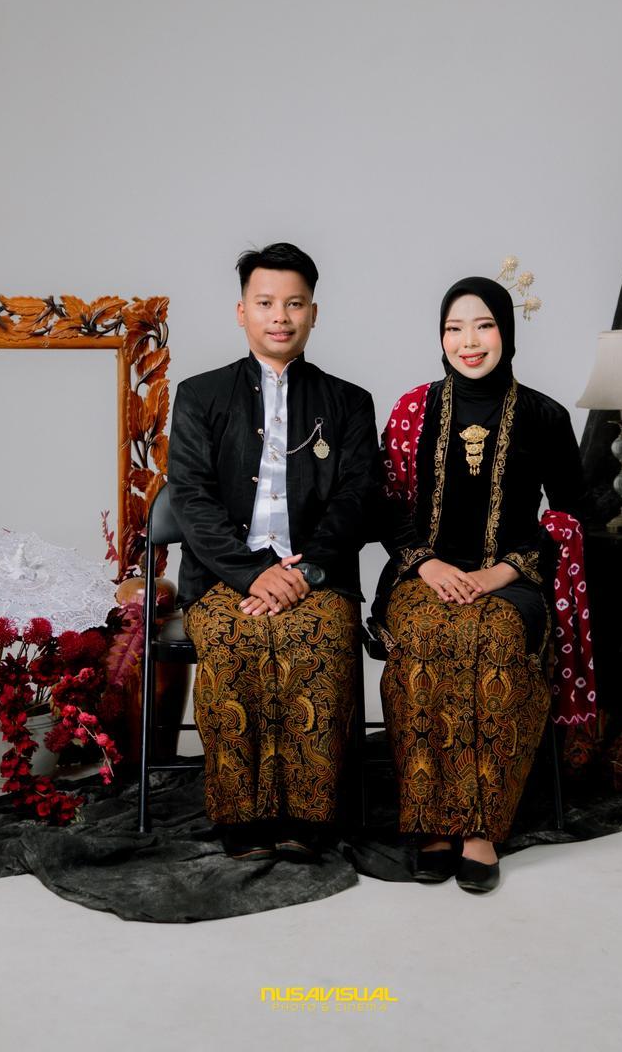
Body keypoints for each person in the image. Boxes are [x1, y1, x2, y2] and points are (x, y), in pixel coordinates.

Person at [167, 242, 379, 861]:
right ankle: (242, 817)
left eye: (294, 303)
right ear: (242, 312)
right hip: (223, 578)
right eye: (265, 303)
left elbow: (357, 498)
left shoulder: (349, 402)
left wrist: (304, 571)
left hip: (318, 576)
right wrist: (254, 574)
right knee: (232, 642)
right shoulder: (200, 395)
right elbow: (191, 500)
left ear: (314, 312)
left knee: (314, 639)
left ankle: (310, 815)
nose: (279, 316)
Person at [372, 275, 583, 892]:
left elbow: (569, 514)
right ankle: (430, 823)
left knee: (493, 638)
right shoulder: (413, 409)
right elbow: (383, 501)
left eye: (484, 325)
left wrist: (501, 572)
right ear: (440, 337)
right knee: (426, 635)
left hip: (511, 576)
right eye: (454, 328)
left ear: (506, 332)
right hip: (424, 573)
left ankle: (480, 830)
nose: (469, 342)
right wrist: (427, 564)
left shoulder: (544, 415)